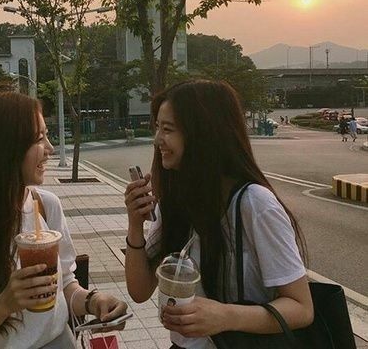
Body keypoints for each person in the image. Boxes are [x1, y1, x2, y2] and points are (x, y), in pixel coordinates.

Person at [0, 91, 127, 349]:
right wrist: (5, 304)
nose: (50, 149)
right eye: (40, 138)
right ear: (5, 148)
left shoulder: (46, 207)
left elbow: (64, 284)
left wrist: (93, 301)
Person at [124, 80, 313, 349]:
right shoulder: (177, 201)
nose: (158, 140)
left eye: (168, 129)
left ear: (203, 134)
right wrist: (134, 225)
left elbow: (301, 307)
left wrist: (225, 316)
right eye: (157, 128)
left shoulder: (255, 205)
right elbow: (139, 290)